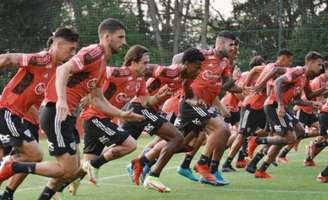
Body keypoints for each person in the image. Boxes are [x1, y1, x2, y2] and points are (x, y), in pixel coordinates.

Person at [0, 18, 143, 200]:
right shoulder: (90, 53)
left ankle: (12, 191)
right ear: (106, 37)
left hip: (52, 116)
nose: (124, 42)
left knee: (71, 169)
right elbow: (8, 59)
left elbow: (97, 99)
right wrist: (61, 100)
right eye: (120, 37)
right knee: (41, 158)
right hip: (30, 112)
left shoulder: (98, 65)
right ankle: (11, 172)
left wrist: (122, 114)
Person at [0, 27, 79, 200]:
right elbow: (6, 58)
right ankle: (7, 171)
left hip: (16, 116)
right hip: (5, 111)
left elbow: (29, 102)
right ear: (57, 44)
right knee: (34, 154)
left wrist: (40, 121)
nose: (73, 53)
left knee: (31, 156)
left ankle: (7, 194)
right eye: (70, 49)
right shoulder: (42, 59)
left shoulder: (57, 70)